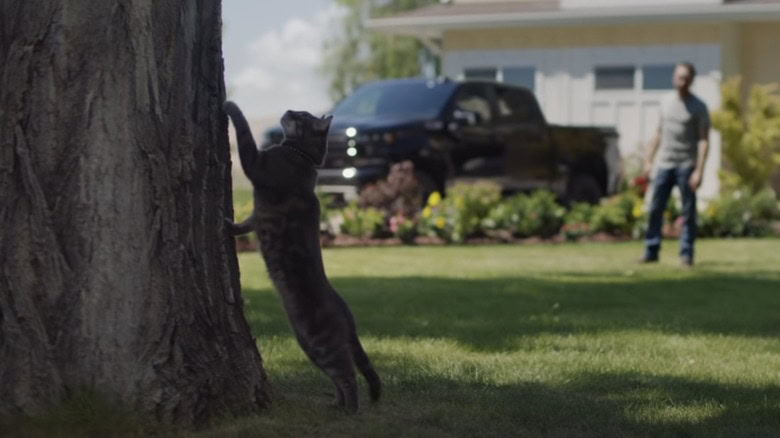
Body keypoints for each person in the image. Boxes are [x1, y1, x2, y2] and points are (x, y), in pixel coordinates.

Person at [640, 62, 710, 267]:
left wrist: (699, 170)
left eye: (686, 78)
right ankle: (651, 251)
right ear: (674, 77)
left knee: (688, 211)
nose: (682, 81)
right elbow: (659, 133)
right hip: (665, 164)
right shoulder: (665, 102)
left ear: (692, 80)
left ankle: (686, 254)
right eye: (679, 77)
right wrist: (648, 160)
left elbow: (704, 140)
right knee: (655, 208)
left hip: (686, 165)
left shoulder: (699, 107)